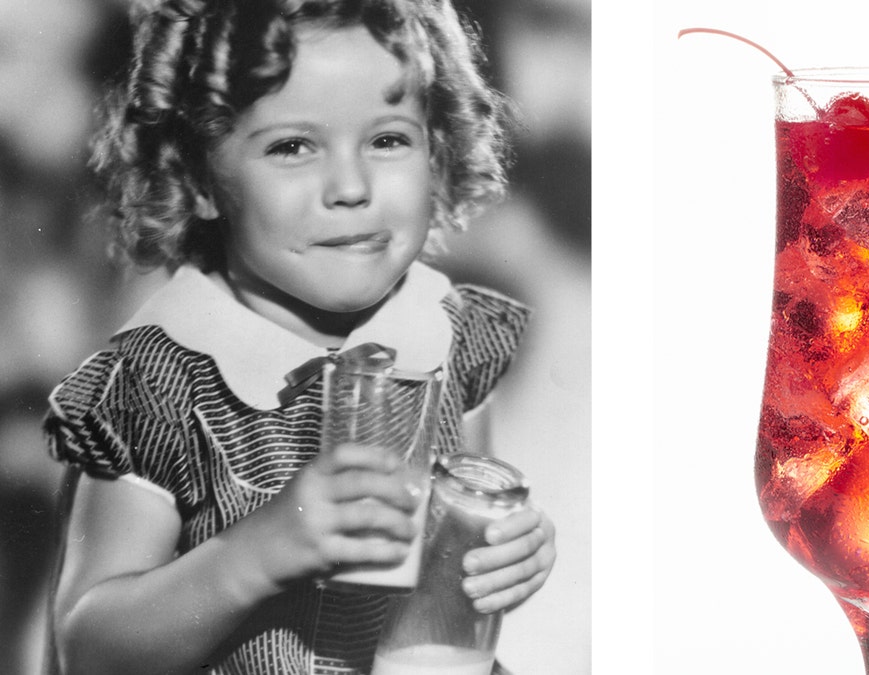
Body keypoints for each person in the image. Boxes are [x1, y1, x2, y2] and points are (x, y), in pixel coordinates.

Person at [41, 1, 557, 673]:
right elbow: (89, 647)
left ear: (439, 147)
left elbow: (451, 550)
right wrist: (256, 552)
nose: (351, 186)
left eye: (388, 139)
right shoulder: (158, 381)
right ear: (200, 177)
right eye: (292, 146)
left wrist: (505, 551)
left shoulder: (448, 332)